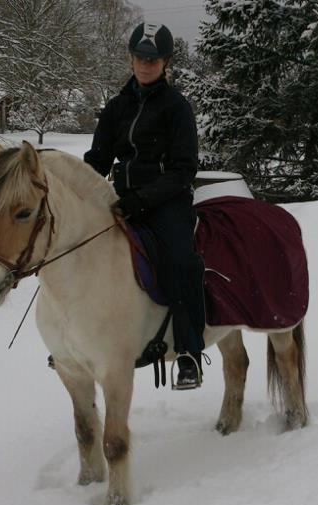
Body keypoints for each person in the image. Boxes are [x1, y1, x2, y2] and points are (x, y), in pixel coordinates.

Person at [84, 22, 205, 390]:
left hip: (167, 202)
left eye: (153, 59)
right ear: (131, 58)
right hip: (123, 200)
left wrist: (144, 199)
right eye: (140, 57)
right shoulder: (116, 108)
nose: (145, 64)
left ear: (165, 61)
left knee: (182, 261)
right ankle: (77, 341)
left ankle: (188, 353)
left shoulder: (177, 108)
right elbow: (98, 160)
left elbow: (184, 170)